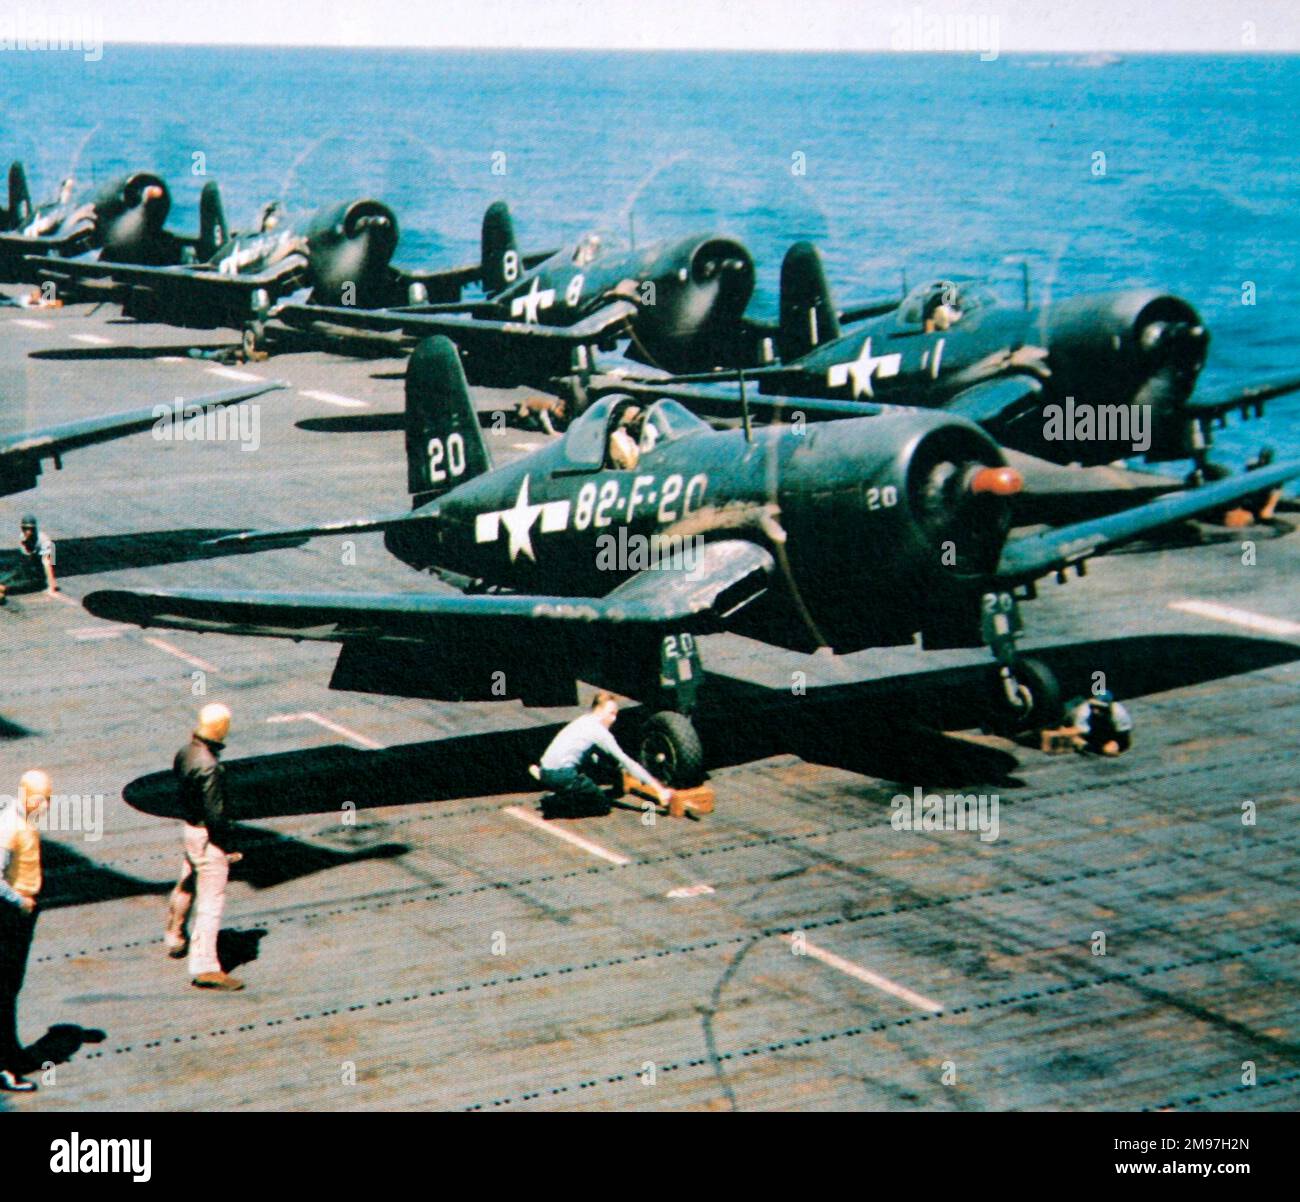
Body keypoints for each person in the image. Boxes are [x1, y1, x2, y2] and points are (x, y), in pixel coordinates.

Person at [165, 703, 245, 991]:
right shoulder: (209, 765)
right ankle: (206, 967)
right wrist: (229, 846)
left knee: (186, 882)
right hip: (206, 836)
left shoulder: (185, 753)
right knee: (211, 901)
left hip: (189, 829)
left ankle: (174, 935)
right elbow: (216, 814)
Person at [537, 693, 671, 818]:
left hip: (545, 770)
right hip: (562, 775)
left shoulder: (582, 720)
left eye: (616, 714)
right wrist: (659, 789)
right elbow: (627, 762)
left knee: (591, 760)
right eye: (611, 714)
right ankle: (555, 805)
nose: (614, 719)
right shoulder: (599, 732)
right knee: (602, 805)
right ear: (599, 710)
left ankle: (560, 791)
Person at [0, 770, 51, 1093]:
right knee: (3, 987)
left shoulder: (22, 819)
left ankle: (10, 1052)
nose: (45, 805)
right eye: (41, 798)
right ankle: (4, 1065)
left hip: (21, 912)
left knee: (10, 985)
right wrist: (19, 901)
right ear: (25, 794)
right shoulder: (9, 826)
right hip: (9, 915)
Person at [0, 515, 57, 605]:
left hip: (38, 574)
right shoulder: (22, 536)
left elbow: (48, 564)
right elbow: (26, 559)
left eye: (31, 529)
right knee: (6, 575)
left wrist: (52, 586)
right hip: (26, 568)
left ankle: (3, 589)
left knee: (11, 584)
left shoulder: (45, 541)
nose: (28, 532)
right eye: (25, 529)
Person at [1070, 692, 1133, 756]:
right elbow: (1081, 730)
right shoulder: (1084, 711)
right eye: (1093, 707)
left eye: (1099, 708)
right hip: (1093, 734)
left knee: (1109, 750)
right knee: (1075, 740)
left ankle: (1091, 748)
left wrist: (1114, 746)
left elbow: (1123, 737)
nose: (1096, 711)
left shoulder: (1119, 712)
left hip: (1113, 735)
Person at [608, 406, 643, 471]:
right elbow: (631, 465)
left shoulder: (648, 430)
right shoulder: (619, 439)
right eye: (635, 418)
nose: (641, 418)